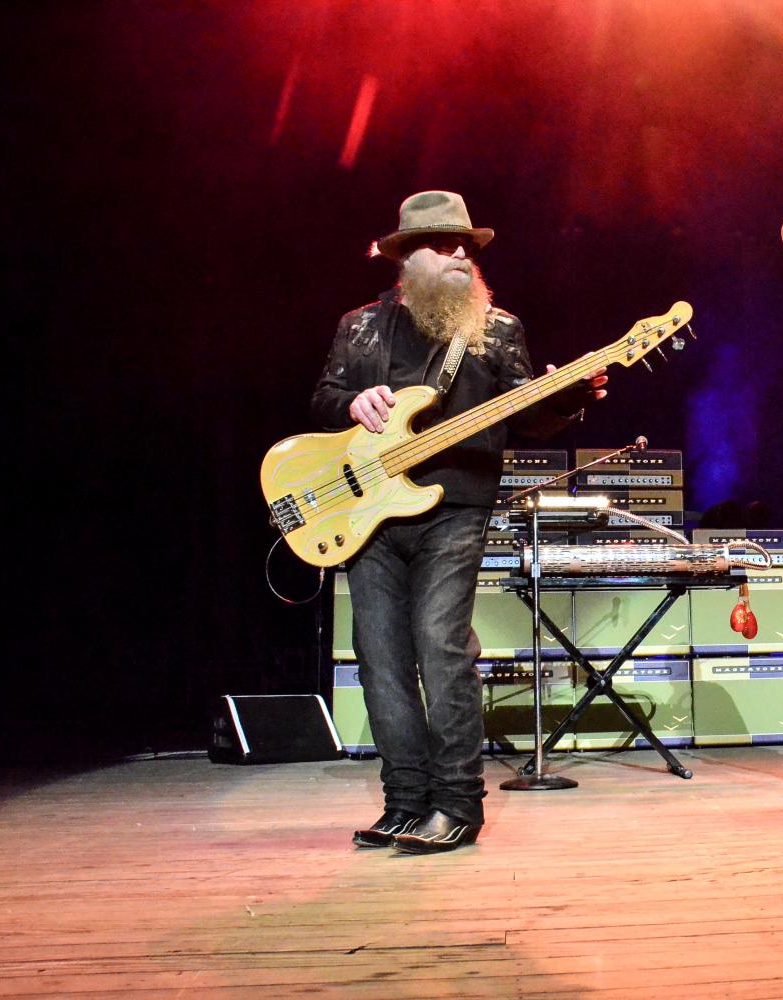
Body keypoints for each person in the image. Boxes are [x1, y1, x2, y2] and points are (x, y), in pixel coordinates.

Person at [311, 191, 606, 854]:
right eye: (442, 244)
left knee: (441, 651)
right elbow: (323, 398)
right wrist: (352, 400)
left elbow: (523, 414)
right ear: (405, 258)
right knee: (380, 660)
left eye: (464, 245)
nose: (458, 255)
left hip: (455, 508)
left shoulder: (496, 329)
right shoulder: (358, 326)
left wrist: (565, 400)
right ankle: (406, 801)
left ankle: (458, 804)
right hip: (368, 516)